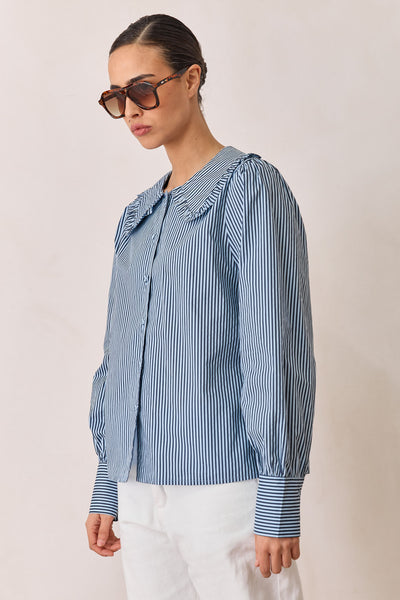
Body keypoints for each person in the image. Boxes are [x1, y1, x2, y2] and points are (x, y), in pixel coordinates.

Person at [85, 13, 316, 600]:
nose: (130, 110)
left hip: (226, 488)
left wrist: (278, 492)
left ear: (191, 79)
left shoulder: (249, 189)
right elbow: (118, 360)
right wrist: (108, 481)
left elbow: (275, 345)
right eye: (117, 97)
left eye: (143, 89)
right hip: (138, 492)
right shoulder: (136, 218)